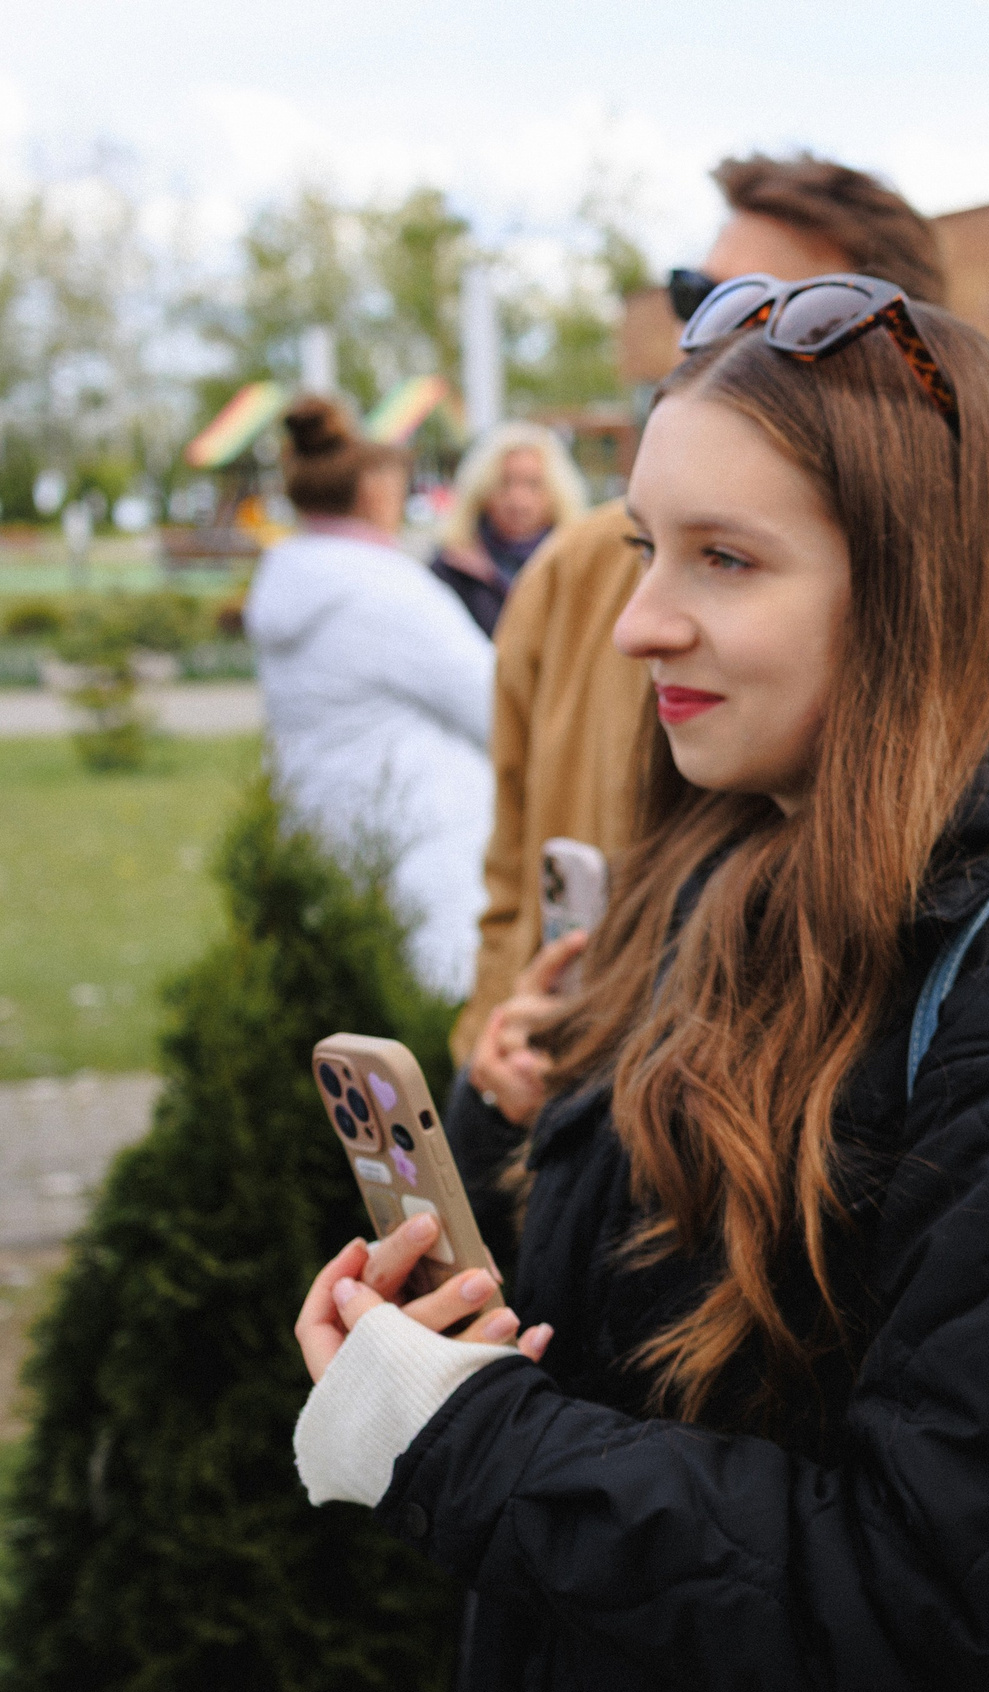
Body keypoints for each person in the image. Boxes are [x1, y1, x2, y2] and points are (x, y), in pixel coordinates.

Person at [289, 280, 989, 1692]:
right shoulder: (733, 862)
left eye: (725, 560)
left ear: (911, 588)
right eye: (646, 547)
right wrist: (470, 1286)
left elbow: (927, 1604)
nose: (637, 623)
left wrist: (468, 1434)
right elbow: (678, 1354)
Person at [449, 152, 947, 1114]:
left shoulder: (953, 618)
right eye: (702, 299)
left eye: (778, 315)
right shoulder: (572, 578)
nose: (714, 342)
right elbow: (512, 880)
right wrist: (489, 1063)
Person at [244, 395, 491, 1000]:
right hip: (420, 840)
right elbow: (496, 707)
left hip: (325, 826)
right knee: (432, 1019)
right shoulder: (387, 592)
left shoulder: (286, 579)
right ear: (373, 491)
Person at [428, 424, 589, 637]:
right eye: (505, 483)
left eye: (533, 485)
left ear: (556, 492)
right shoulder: (451, 568)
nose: (518, 500)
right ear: (482, 490)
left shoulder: (578, 567)